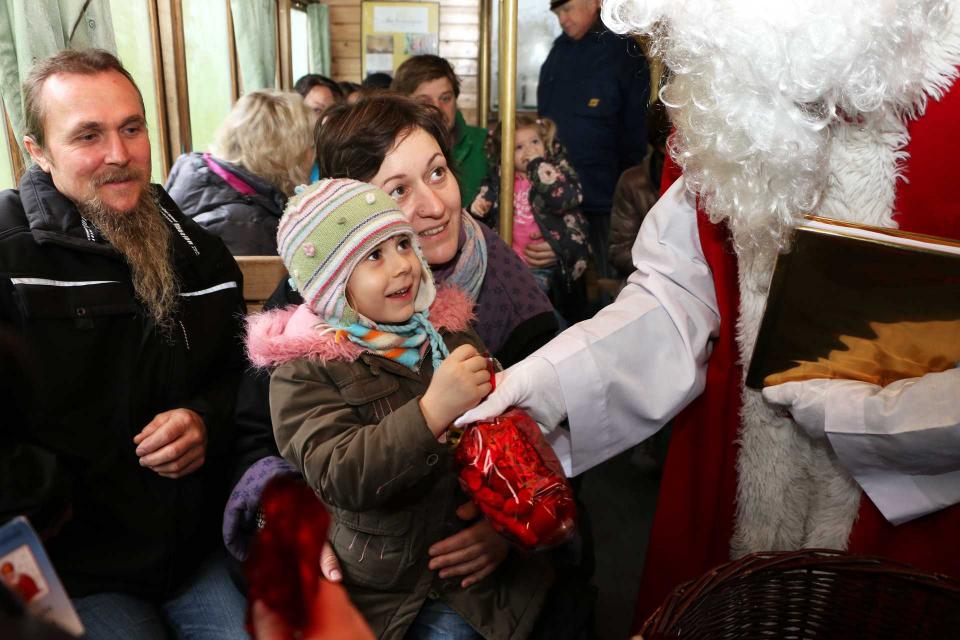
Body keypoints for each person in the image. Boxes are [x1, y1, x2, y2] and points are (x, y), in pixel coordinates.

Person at [460, 0, 960, 629]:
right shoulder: (725, 94)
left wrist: (879, 421)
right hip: (735, 496)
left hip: (912, 533)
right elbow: (677, 299)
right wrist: (551, 382)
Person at [225, 95, 557, 591]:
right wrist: (298, 518)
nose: (434, 205)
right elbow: (258, 437)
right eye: (399, 189)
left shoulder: (504, 291)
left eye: (438, 172)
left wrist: (505, 527)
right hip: (375, 560)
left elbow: (554, 424)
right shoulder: (313, 308)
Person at [0, 49, 248, 638]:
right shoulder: (10, 261)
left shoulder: (200, 254)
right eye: (88, 135)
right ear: (37, 151)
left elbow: (243, 379)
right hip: (74, 570)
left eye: (132, 128)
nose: (119, 155)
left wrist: (204, 420)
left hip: (193, 556)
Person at [538, 0, 650, 280]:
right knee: (565, 287)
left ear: (594, 3)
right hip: (559, 198)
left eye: (567, 9)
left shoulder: (623, 51)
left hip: (606, 199)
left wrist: (624, 189)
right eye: (557, 13)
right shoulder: (558, 52)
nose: (562, 19)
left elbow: (635, 130)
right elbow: (545, 119)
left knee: (608, 285)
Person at [470, 115, 590, 322]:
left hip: (546, 267)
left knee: (535, 308)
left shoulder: (554, 173)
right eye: (518, 147)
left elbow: (567, 198)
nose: (529, 150)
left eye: (534, 142)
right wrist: (477, 208)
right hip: (513, 262)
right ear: (504, 153)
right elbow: (479, 210)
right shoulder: (500, 178)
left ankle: (554, 333)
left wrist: (537, 166)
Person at [165, 89, 314, 255]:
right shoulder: (251, 226)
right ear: (285, 153)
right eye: (310, 144)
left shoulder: (198, 175)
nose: (312, 154)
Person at [392, 55, 489, 208]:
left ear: (455, 99)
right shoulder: (391, 153)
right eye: (424, 101)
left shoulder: (485, 144)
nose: (438, 109)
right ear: (404, 104)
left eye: (445, 98)